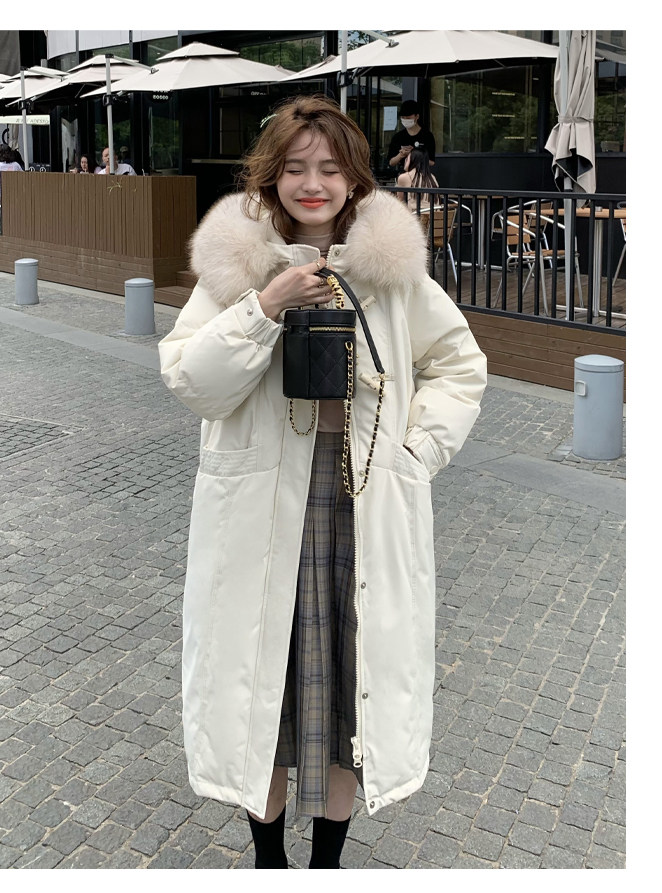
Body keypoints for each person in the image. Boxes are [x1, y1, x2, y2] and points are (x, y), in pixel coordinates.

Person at [158, 94, 486, 870]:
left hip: (361, 504)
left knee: (349, 688)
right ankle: (269, 859)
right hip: (260, 513)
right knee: (261, 692)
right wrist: (265, 306)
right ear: (271, 176)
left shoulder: (391, 271)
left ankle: (327, 865)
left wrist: (416, 453)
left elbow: (459, 364)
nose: (314, 183)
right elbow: (192, 379)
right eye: (297, 167)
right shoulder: (238, 268)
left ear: (355, 178)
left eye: (331, 168)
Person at [387, 99, 436, 173]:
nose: (406, 120)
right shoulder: (398, 137)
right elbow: (391, 162)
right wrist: (401, 155)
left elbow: (432, 162)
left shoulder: (427, 136)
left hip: (421, 174)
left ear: (417, 116)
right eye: (403, 118)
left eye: (408, 118)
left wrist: (414, 155)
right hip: (404, 174)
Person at [396, 146, 439, 212]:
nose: (405, 160)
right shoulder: (432, 177)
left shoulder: (404, 177)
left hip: (415, 216)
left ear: (413, 160)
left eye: (407, 158)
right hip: (434, 215)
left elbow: (399, 201)